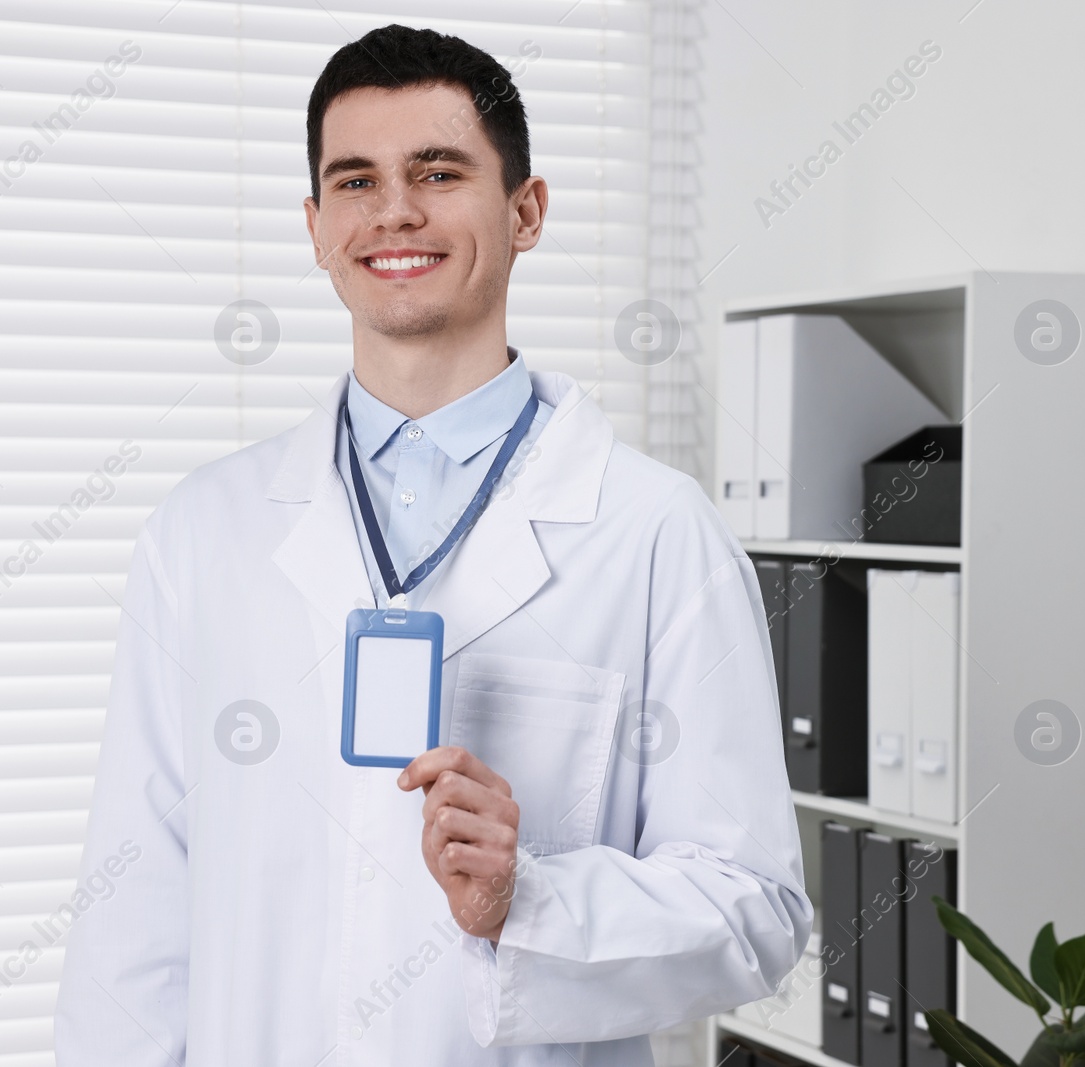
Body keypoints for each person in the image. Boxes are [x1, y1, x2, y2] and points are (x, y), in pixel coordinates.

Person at [54, 23, 810, 1065]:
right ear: (318, 227)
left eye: (438, 171)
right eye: (355, 181)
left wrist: (529, 897)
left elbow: (758, 912)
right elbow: (131, 912)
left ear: (526, 210)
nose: (394, 210)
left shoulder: (654, 532)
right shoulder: (204, 531)